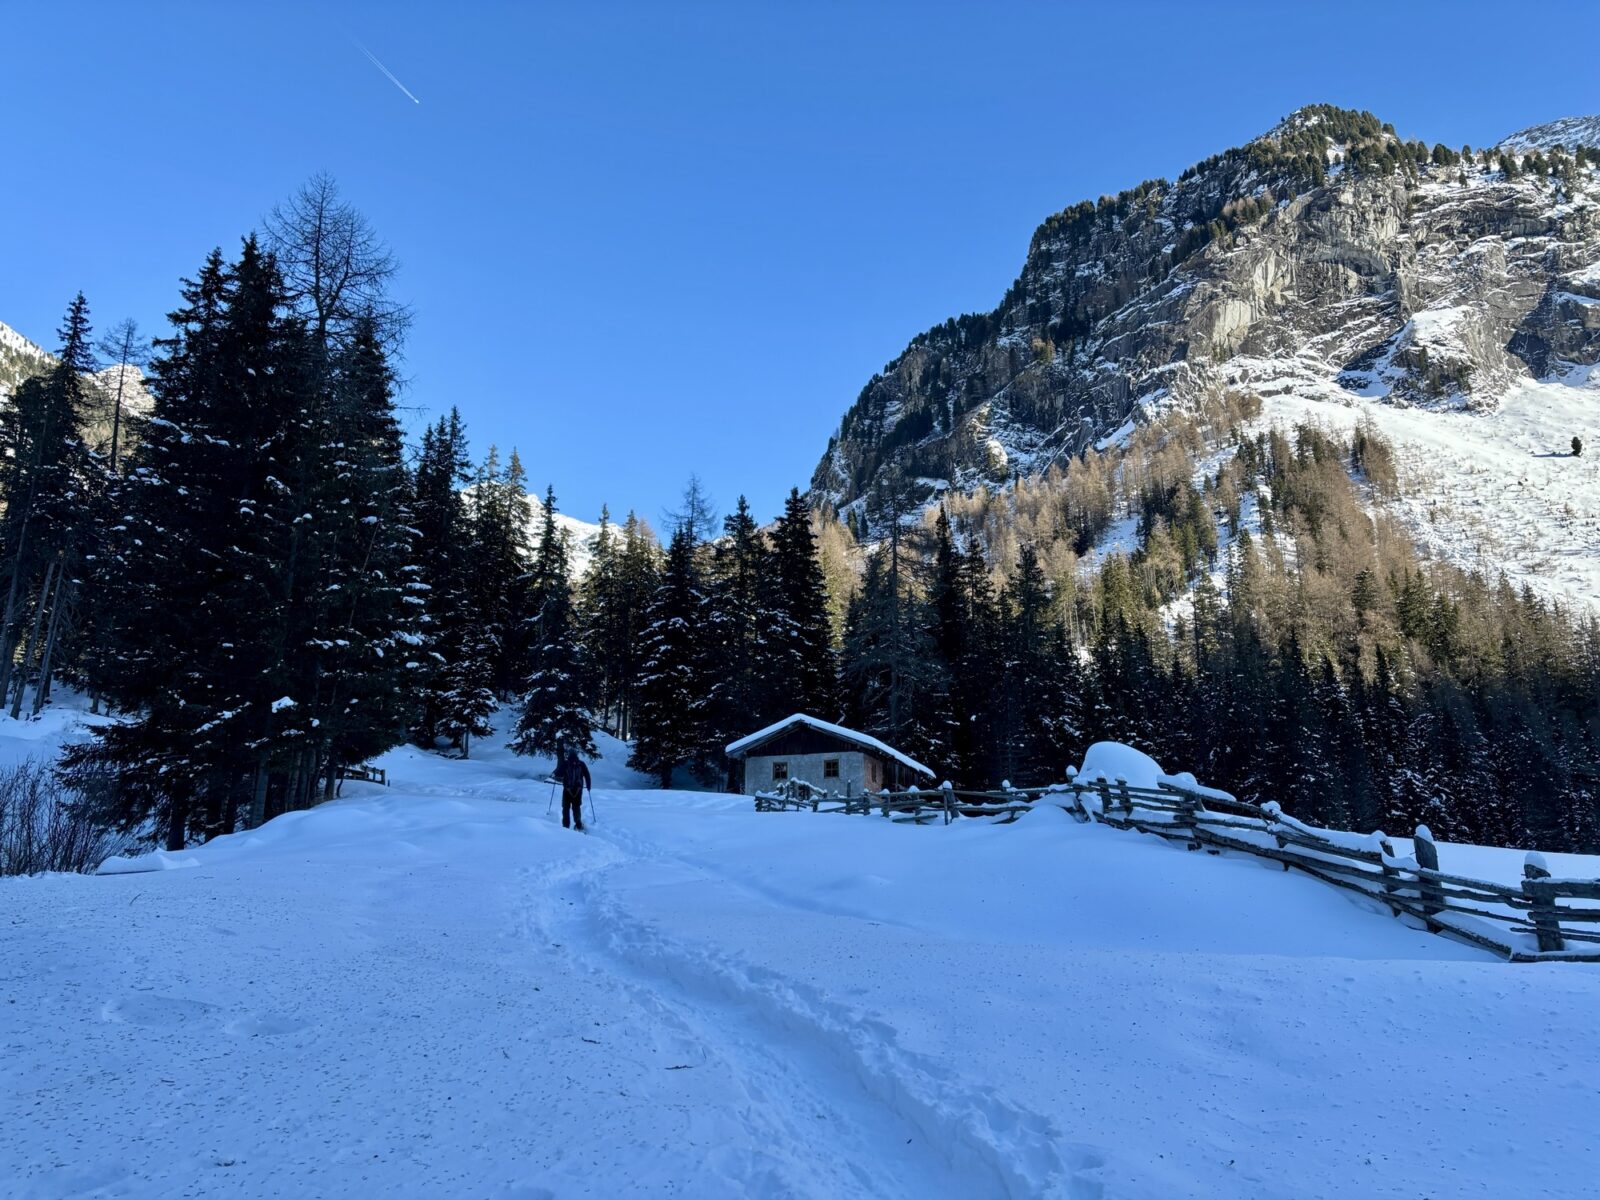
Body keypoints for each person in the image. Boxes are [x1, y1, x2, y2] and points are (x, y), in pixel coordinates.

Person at [558, 747, 592, 831]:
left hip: (567, 790)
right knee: (576, 807)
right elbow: (587, 775)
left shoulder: (565, 764)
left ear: (568, 755)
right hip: (578, 790)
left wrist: (557, 771)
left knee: (566, 808)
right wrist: (588, 786)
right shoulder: (581, 764)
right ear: (576, 755)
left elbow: (559, 774)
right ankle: (578, 825)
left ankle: (565, 826)